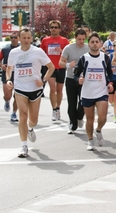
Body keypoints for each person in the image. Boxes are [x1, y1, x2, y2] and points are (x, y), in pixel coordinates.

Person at [6, 28, 55, 157]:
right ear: (19, 39)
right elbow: (9, 68)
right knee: (23, 115)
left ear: (31, 39)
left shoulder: (38, 51)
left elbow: (51, 67)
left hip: (35, 89)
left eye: (28, 38)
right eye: (24, 38)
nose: (26, 40)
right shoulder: (14, 52)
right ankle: (24, 146)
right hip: (20, 88)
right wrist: (8, 79)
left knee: (33, 120)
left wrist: (43, 80)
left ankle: (30, 128)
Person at [74, 33, 114, 151]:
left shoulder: (105, 57)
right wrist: (79, 80)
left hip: (101, 91)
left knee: (103, 117)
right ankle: (90, 140)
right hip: (87, 93)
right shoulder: (84, 58)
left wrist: (110, 83)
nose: (95, 44)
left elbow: (110, 73)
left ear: (100, 43)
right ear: (89, 44)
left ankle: (99, 130)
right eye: (92, 42)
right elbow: (76, 74)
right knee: (89, 119)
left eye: (97, 41)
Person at [59, 28, 89, 134]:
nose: (81, 41)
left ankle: (80, 116)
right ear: (75, 38)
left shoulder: (88, 48)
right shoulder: (68, 48)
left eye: (83, 39)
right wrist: (68, 65)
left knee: (83, 102)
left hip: (83, 79)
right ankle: (73, 123)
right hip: (71, 78)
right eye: (79, 39)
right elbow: (60, 62)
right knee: (72, 103)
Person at [40, 20, 70, 121]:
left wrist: (61, 52)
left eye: (56, 27)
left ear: (59, 29)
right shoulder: (45, 40)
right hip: (50, 68)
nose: (54, 29)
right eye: (52, 27)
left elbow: (68, 55)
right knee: (52, 89)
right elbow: (41, 53)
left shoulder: (64, 41)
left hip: (61, 67)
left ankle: (58, 108)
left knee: (59, 90)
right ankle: (54, 109)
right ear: (50, 28)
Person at [1, 32, 20, 122]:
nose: (13, 39)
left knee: (17, 96)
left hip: (19, 75)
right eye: (11, 37)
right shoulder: (5, 49)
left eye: (15, 37)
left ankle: (14, 113)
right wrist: (1, 66)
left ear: (18, 38)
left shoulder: (22, 49)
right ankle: (7, 101)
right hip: (7, 74)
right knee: (8, 95)